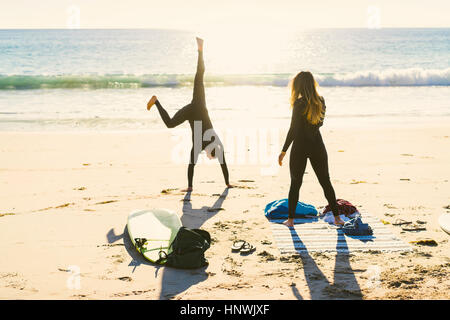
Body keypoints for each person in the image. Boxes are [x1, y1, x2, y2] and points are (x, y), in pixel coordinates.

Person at [146, 37, 232, 192]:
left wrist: (227, 182)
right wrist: (226, 183)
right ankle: (156, 102)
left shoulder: (215, 141)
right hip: (194, 109)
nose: (208, 157)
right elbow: (194, 164)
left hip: (197, 105)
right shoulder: (201, 145)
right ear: (209, 151)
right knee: (170, 124)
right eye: (210, 156)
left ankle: (200, 48)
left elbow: (221, 162)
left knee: (199, 76)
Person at [278, 71, 344, 227]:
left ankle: (291, 220)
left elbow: (293, 129)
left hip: (300, 147)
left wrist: (283, 151)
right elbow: (319, 124)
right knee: (325, 182)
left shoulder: (299, 103)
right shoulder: (321, 101)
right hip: (317, 146)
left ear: (298, 86)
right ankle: (337, 218)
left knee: (295, 183)